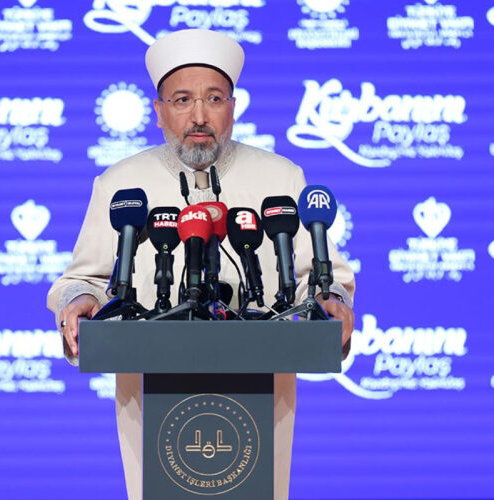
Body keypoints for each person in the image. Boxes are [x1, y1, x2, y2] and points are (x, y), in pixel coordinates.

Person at [48, 29, 355, 500]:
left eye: (214, 99)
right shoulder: (120, 183)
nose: (198, 116)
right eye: (182, 100)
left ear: (234, 106)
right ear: (158, 111)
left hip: (263, 385)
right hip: (148, 388)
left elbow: (320, 279)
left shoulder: (281, 177)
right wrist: (79, 300)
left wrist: (331, 300)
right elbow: (83, 279)